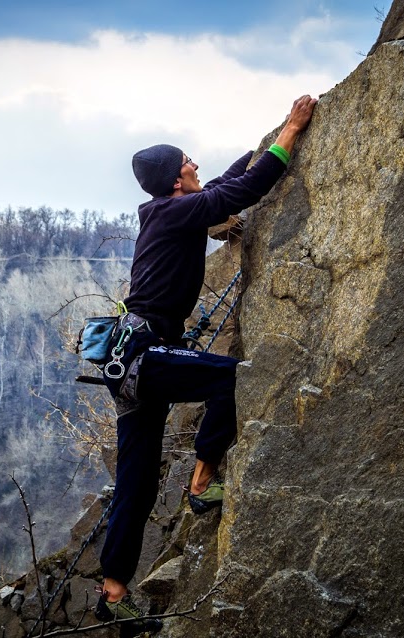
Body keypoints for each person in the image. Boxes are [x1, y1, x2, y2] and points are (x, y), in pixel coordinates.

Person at [94, 95, 318, 634]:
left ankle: (114, 590)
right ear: (175, 179)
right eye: (187, 161)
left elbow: (219, 185)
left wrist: (253, 149)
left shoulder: (169, 208)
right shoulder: (175, 211)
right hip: (145, 357)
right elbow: (239, 192)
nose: (194, 163)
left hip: (129, 363)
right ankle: (202, 480)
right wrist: (290, 131)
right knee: (234, 378)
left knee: (137, 482)